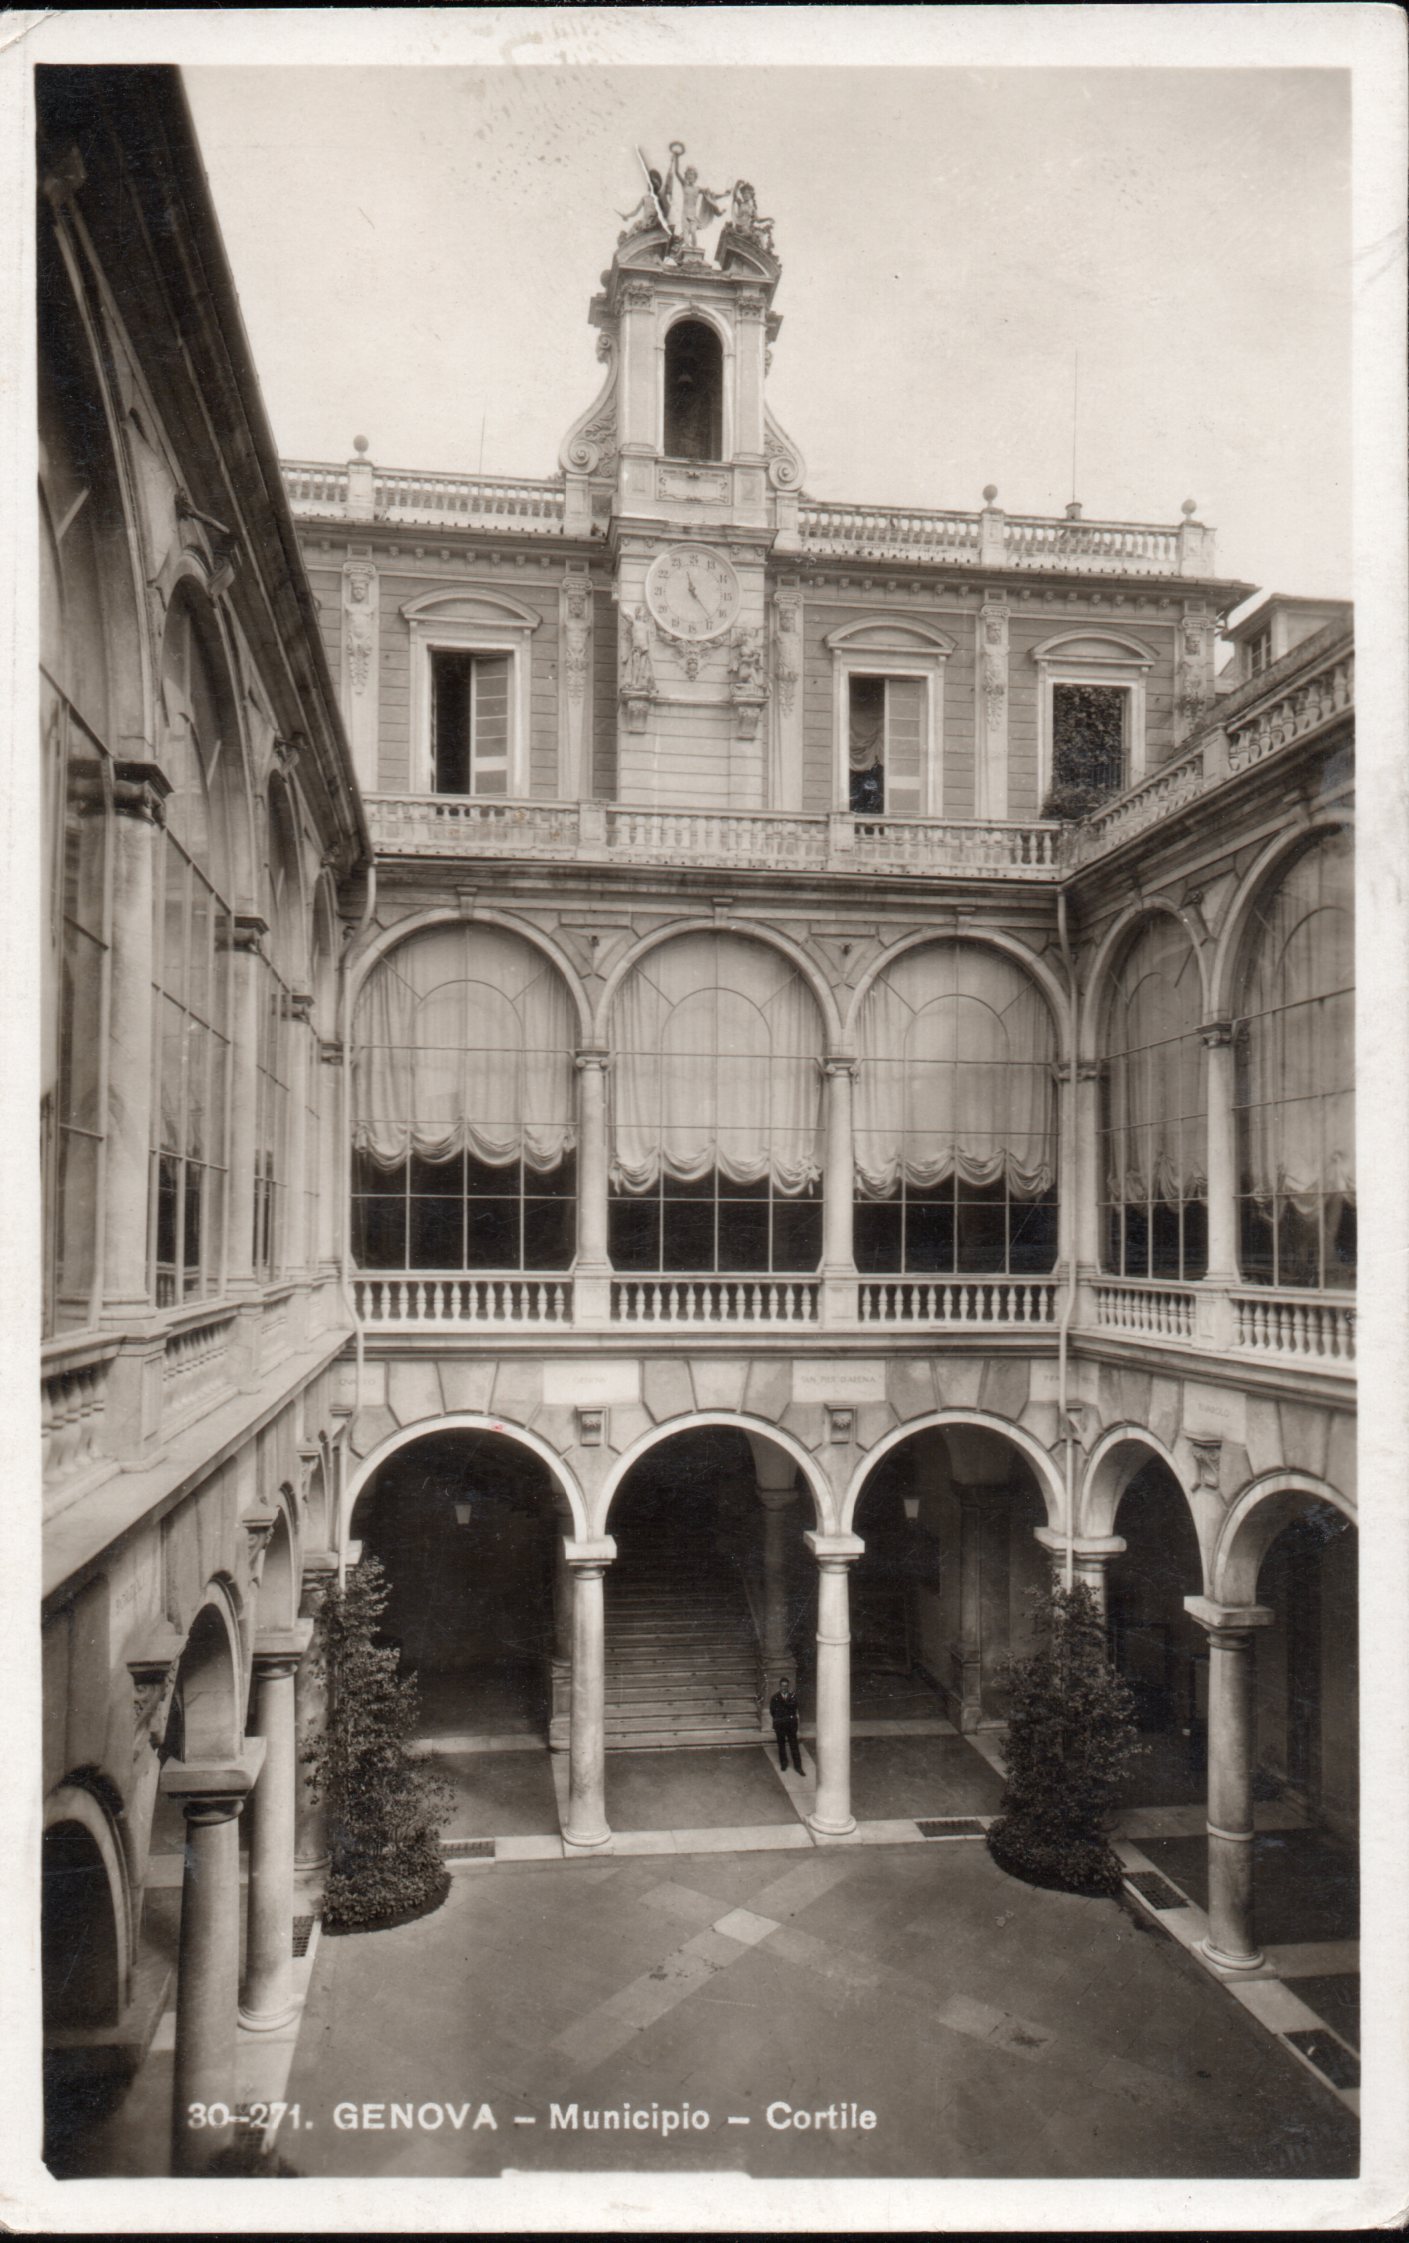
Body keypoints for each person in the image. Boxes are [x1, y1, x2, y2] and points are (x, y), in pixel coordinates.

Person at [769, 1677, 803, 1774]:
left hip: (790, 1725)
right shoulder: (775, 1697)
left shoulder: (793, 1697)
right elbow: (772, 1711)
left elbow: (795, 1708)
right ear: (780, 1686)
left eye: (786, 1686)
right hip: (780, 1724)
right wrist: (780, 1718)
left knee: (794, 1746)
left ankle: (798, 1767)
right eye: (782, 1686)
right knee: (781, 1745)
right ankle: (784, 1764)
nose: (784, 1688)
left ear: (788, 1687)